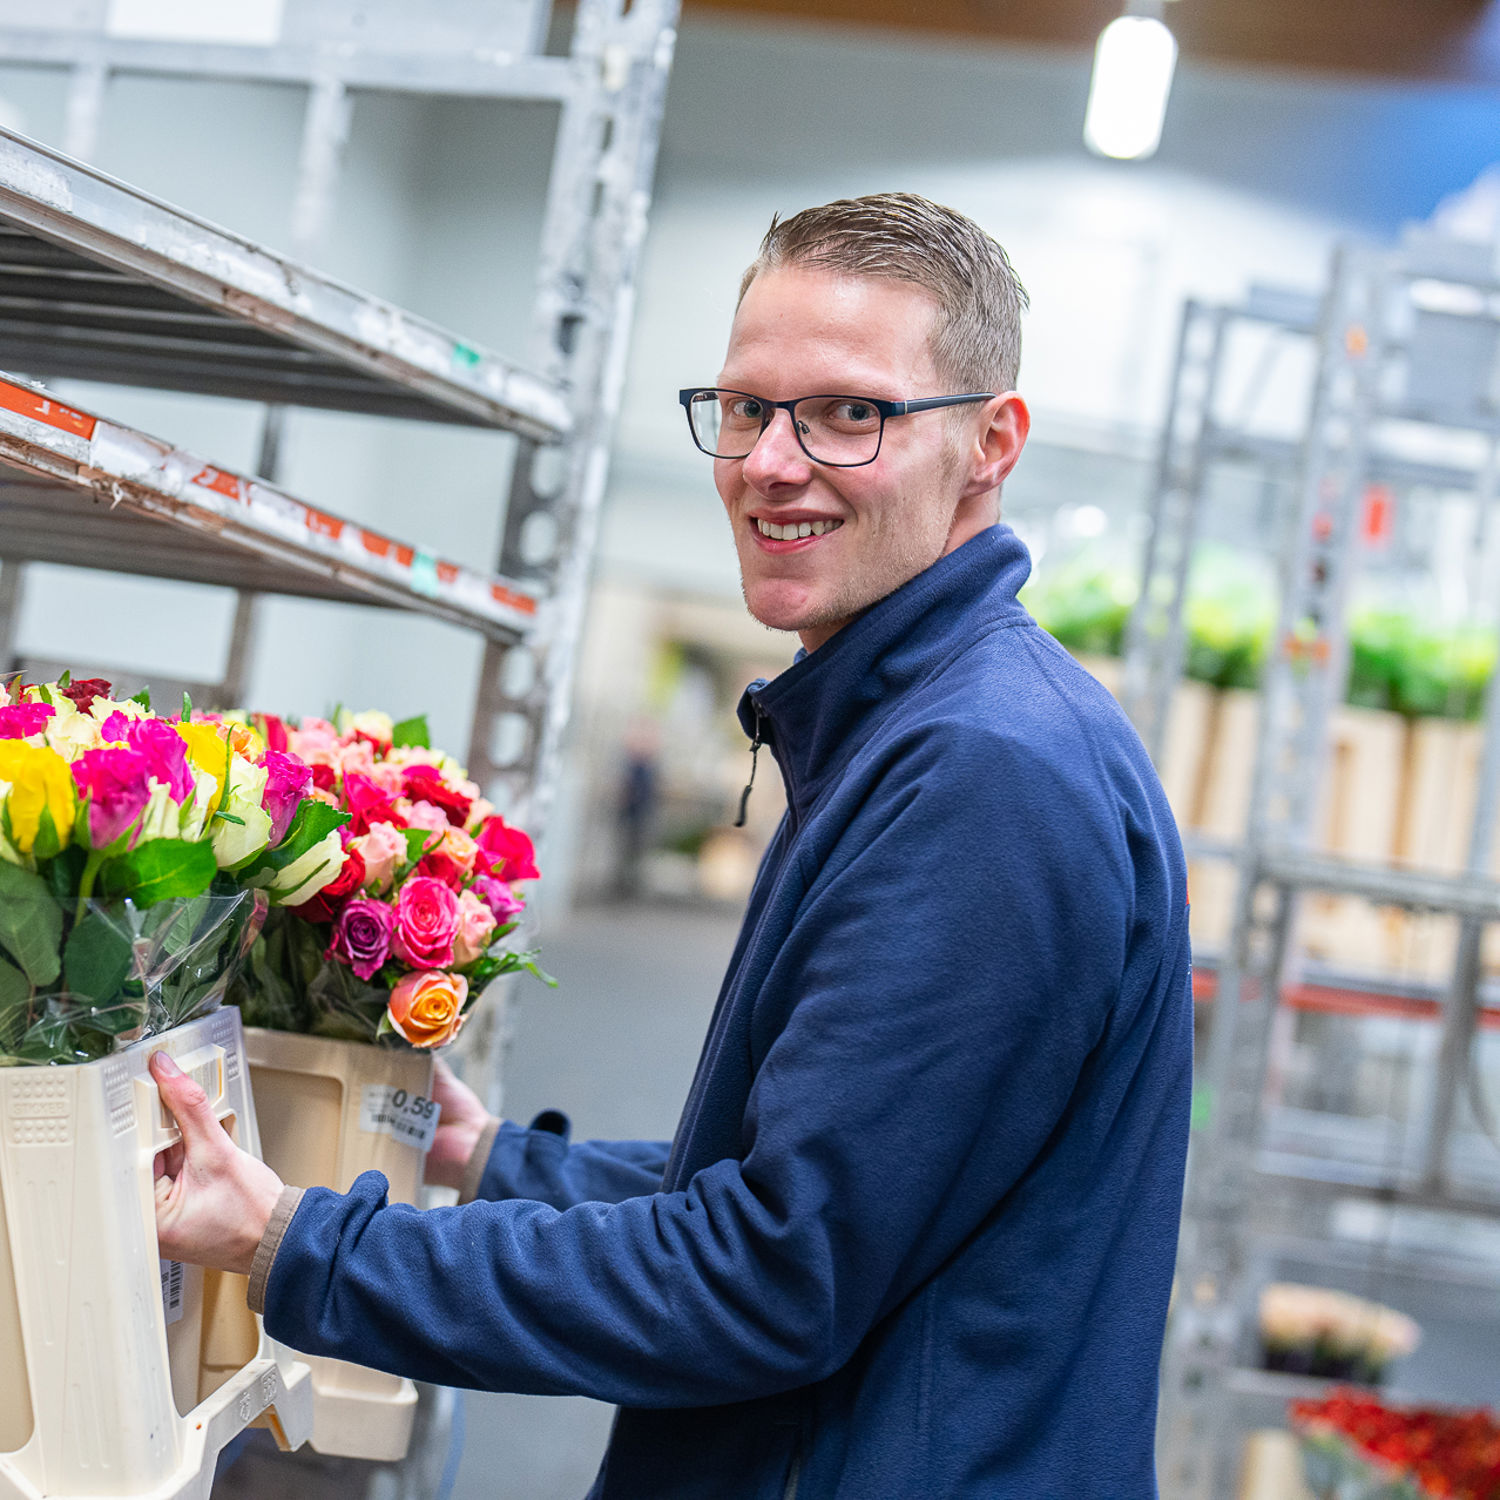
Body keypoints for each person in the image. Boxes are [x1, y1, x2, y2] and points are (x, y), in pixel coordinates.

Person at [152, 192, 1193, 1499]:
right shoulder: (922, 724)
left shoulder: (979, 772)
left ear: (991, 444)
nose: (770, 460)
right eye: (749, 407)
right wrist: (495, 1158)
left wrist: (297, 1244)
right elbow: (838, 1186)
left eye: (848, 413)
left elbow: (767, 1281)